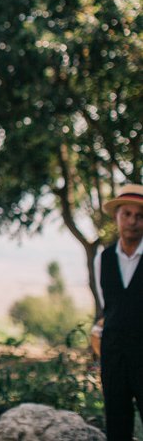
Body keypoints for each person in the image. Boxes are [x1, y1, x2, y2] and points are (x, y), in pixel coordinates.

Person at [94, 183, 143, 441]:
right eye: (127, 214)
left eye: (140, 216)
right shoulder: (103, 258)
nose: (133, 221)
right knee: (117, 421)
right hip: (114, 355)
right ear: (117, 217)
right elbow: (108, 305)